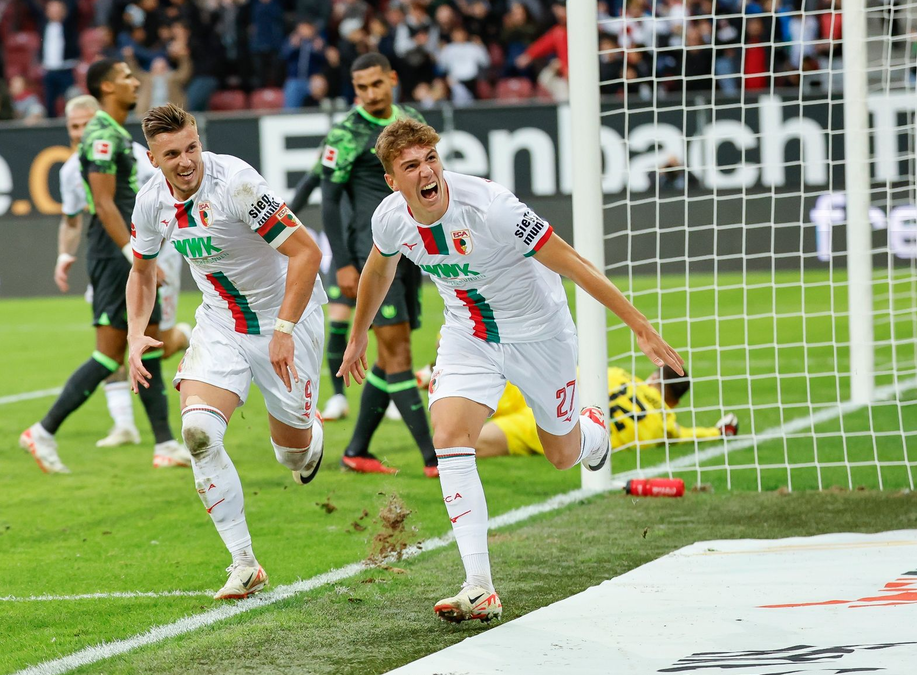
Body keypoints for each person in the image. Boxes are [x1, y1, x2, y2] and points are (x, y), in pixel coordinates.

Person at [339, 118, 686, 623]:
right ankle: (479, 585)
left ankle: (592, 435)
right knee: (451, 438)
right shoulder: (391, 217)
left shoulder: (491, 208)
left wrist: (638, 324)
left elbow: (570, 261)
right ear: (393, 180)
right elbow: (379, 268)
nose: (426, 171)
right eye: (411, 165)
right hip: (468, 334)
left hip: (539, 335)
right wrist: (357, 336)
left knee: (562, 455)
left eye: (431, 158)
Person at [125, 103, 327, 600]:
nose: (186, 160)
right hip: (219, 323)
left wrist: (283, 327)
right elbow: (142, 269)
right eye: (172, 154)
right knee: (197, 432)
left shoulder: (238, 183)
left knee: (291, 454)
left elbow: (306, 252)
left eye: (191, 147)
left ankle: (309, 437)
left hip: (288, 318)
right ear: (154, 159)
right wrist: (134, 333)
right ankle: (244, 563)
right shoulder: (150, 201)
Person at [20, 58, 187, 474]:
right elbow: (105, 202)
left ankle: (165, 443)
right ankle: (42, 431)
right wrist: (137, 257)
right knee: (110, 355)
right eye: (128, 77)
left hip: (124, 251)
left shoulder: (111, 132)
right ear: (107, 88)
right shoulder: (99, 134)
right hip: (115, 256)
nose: (136, 82)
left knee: (145, 346)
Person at [306, 52, 437, 476]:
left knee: (388, 356)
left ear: (392, 79)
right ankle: (435, 460)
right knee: (398, 353)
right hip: (373, 252)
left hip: (412, 248)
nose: (368, 94)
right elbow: (328, 199)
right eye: (360, 87)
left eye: (375, 84)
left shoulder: (410, 119)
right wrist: (343, 263)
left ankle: (356, 451)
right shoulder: (345, 132)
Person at [54, 93, 191, 451]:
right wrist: (63, 256)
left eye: (87, 123)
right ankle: (125, 424)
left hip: (156, 257)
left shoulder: (130, 153)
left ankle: (183, 337)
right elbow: (71, 219)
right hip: (114, 259)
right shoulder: (71, 170)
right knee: (113, 342)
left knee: (153, 342)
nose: (82, 132)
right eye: (74, 126)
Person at [476, 366, 739, 458]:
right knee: (467, 445)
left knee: (474, 406)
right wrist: (717, 431)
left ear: (653, 376)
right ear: (675, 403)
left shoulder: (620, 376)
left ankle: (437, 375)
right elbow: (687, 435)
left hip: (553, 399)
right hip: (563, 432)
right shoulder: (663, 423)